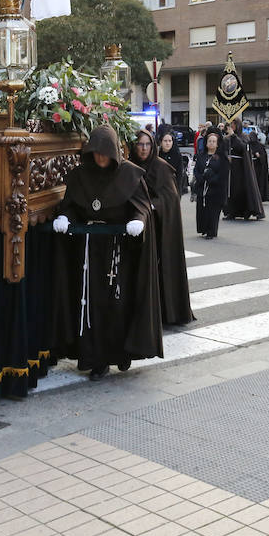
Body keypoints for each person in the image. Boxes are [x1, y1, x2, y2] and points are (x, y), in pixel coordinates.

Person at [51, 126, 162, 381]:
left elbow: (141, 207)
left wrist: (138, 220)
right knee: (90, 305)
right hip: (89, 252)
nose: (100, 159)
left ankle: (121, 354)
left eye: (104, 154)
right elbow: (72, 206)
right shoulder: (80, 176)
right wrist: (65, 217)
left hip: (118, 252)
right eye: (95, 154)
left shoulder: (129, 175)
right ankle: (96, 359)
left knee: (118, 303)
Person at [129, 129, 193, 326]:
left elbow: (170, 197)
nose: (144, 148)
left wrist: (150, 206)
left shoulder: (161, 167)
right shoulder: (129, 166)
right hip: (136, 228)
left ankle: (167, 312)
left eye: (148, 144)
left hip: (159, 228)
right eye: (140, 144)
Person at [223, 119, 264, 220]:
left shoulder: (244, 137)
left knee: (242, 189)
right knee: (231, 190)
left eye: (233, 125)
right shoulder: (226, 138)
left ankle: (247, 211)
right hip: (230, 168)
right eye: (230, 125)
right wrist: (226, 156)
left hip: (241, 168)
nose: (231, 127)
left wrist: (233, 136)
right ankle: (232, 211)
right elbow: (223, 149)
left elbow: (242, 147)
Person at [193, 128, 229, 239]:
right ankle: (203, 228)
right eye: (209, 141)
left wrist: (212, 179)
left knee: (212, 211)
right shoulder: (201, 155)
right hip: (202, 188)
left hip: (215, 190)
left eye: (214, 141)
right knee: (202, 210)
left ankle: (211, 231)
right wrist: (201, 178)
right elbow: (196, 169)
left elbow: (223, 173)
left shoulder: (222, 157)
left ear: (217, 144)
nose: (211, 143)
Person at [157, 130, 185, 195]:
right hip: (159, 190)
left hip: (173, 188)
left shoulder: (177, 155)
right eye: (165, 141)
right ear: (161, 142)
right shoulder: (157, 155)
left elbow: (180, 175)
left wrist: (178, 192)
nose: (168, 143)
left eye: (170, 141)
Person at [249, 131, 269, 202]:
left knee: (259, 183)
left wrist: (259, 156)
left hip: (259, 168)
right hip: (251, 167)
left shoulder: (260, 146)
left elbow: (264, 158)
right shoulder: (248, 145)